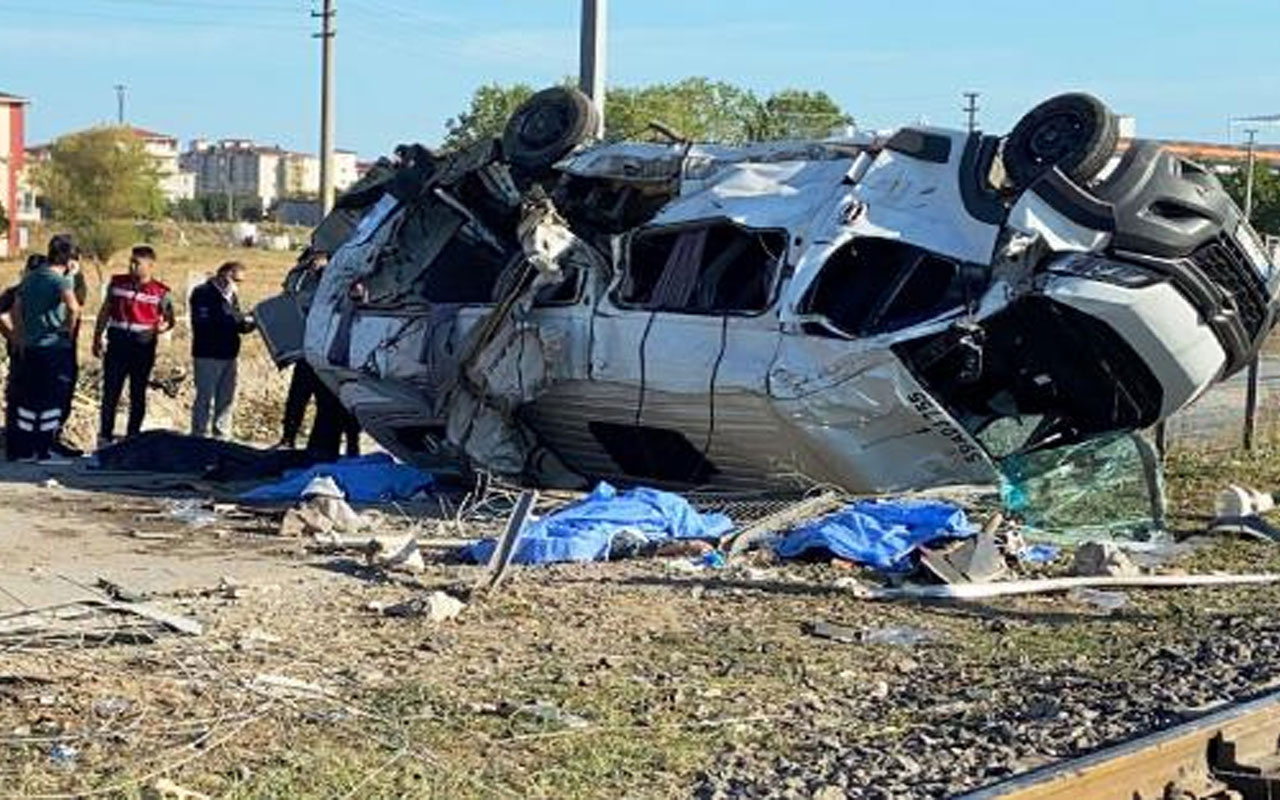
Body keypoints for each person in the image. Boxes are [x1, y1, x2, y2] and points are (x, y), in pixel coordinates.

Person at [275, 248, 359, 457]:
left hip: (329, 354)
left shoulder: (338, 281)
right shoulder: (302, 280)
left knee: (333, 403)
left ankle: (349, 443)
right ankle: (290, 437)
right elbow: (289, 296)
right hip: (307, 352)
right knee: (298, 398)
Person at [92, 245, 175, 447]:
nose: (131, 266)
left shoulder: (160, 292)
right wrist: (96, 337)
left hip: (142, 346)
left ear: (150, 265)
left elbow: (169, 319)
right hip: (118, 343)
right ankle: (105, 436)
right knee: (111, 391)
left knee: (137, 392)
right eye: (131, 261)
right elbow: (105, 311)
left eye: (136, 263)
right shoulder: (118, 283)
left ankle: (132, 437)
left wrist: (162, 327)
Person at [9, 250, 80, 463]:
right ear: (68, 260)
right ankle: (44, 449)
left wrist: (19, 337)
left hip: (30, 348)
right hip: (52, 348)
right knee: (50, 401)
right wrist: (68, 329)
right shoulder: (60, 281)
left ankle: (26, 449)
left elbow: (15, 308)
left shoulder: (29, 280)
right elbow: (74, 307)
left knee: (30, 401)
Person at [189, 261, 255, 439]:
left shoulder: (230, 296)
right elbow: (207, 322)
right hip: (208, 354)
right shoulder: (203, 293)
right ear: (225, 274)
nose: (237, 285)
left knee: (226, 399)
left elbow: (236, 324)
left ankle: (221, 436)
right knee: (205, 398)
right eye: (236, 279)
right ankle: (199, 435)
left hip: (229, 354)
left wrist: (252, 322)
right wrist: (238, 318)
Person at [0, 254, 47, 460]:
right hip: (28, 353)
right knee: (26, 400)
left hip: (31, 351)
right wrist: (15, 337)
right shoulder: (18, 293)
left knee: (24, 400)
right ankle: (24, 447)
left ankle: (24, 447)